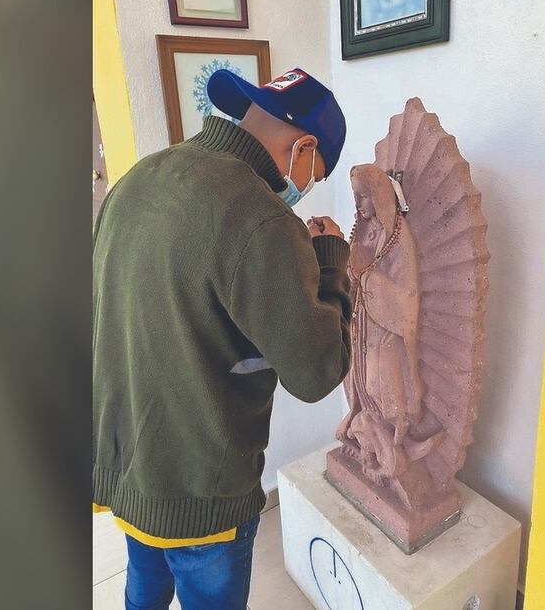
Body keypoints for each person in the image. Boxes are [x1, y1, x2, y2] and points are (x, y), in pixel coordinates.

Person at [93, 67, 352, 610]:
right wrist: (329, 266)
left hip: (129, 465)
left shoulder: (138, 178)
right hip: (199, 489)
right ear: (304, 149)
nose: (305, 187)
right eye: (317, 173)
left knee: (142, 590)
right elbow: (317, 371)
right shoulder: (262, 218)